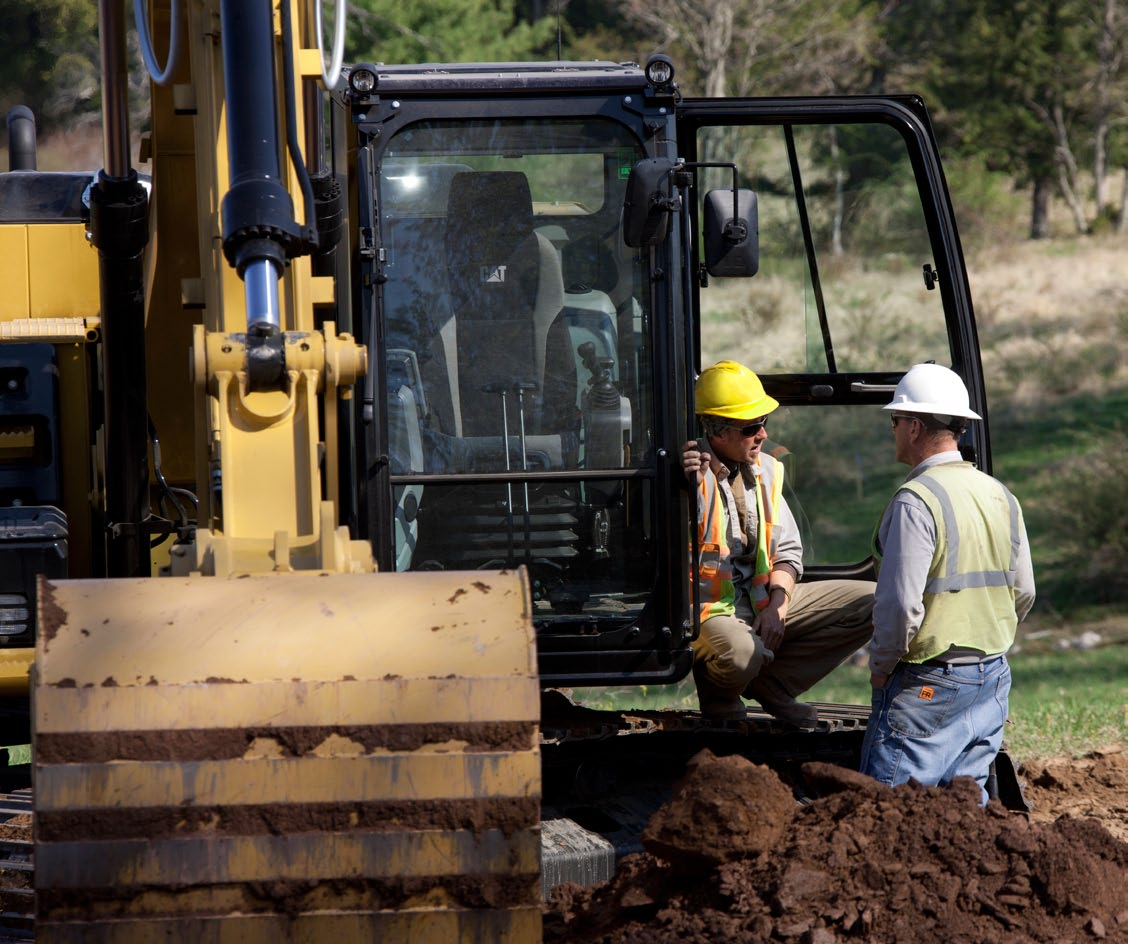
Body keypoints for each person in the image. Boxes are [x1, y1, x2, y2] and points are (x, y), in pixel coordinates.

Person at [859, 363, 1035, 804]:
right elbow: (1025, 591)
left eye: (894, 421)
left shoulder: (916, 501)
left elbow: (900, 604)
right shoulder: (1000, 494)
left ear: (914, 426)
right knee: (963, 814)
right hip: (991, 675)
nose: (893, 430)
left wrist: (881, 665)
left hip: (928, 680)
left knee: (888, 816)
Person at [682, 360, 874, 726]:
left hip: (761, 601)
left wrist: (778, 607)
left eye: (764, 423)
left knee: (874, 602)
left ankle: (771, 686)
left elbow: (787, 551)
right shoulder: (688, 473)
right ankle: (720, 698)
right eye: (752, 427)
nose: (763, 435)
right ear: (717, 431)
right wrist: (680, 482)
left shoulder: (766, 470)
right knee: (742, 655)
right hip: (711, 612)